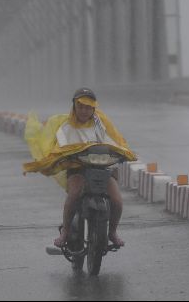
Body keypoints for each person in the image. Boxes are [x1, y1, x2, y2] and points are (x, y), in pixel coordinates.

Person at [21, 87, 136, 249]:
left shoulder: (101, 123)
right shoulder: (66, 127)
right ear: (74, 106)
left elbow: (116, 142)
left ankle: (113, 231)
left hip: (102, 170)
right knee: (74, 194)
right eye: (80, 106)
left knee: (117, 201)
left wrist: (124, 154)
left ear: (94, 108)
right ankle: (65, 231)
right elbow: (59, 148)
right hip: (77, 170)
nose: (84, 110)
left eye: (88, 107)